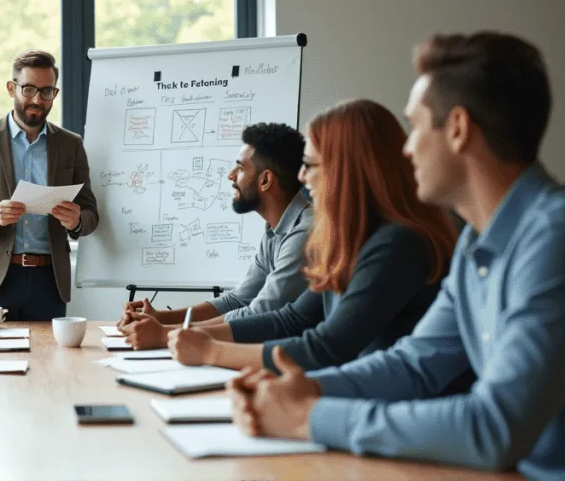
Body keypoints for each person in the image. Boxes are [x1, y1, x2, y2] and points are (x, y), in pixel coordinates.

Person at [226, 32, 565, 480]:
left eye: (417, 127)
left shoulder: (551, 238)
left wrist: (308, 416)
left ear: (458, 129)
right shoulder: (474, 242)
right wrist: (302, 388)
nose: (406, 149)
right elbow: (415, 364)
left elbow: (493, 426)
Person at [168, 99, 458, 374]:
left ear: (345, 170)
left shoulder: (398, 244)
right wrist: (191, 334)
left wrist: (210, 352)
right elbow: (294, 318)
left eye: (310, 165)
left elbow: (328, 346)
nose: (303, 178)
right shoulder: (353, 238)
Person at [117, 123, 312, 350]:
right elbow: (238, 300)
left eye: (239, 169)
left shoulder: (304, 232)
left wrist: (167, 333)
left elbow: (259, 313)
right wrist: (161, 318)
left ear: (265, 180)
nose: (230, 176)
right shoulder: (275, 230)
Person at [0, 50, 99, 320]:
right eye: (28, 89)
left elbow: (90, 214)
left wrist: (76, 220)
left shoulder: (70, 144)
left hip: (48, 282)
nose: (37, 100)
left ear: (55, 92)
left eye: (47, 91)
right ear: (11, 88)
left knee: (49, 360)